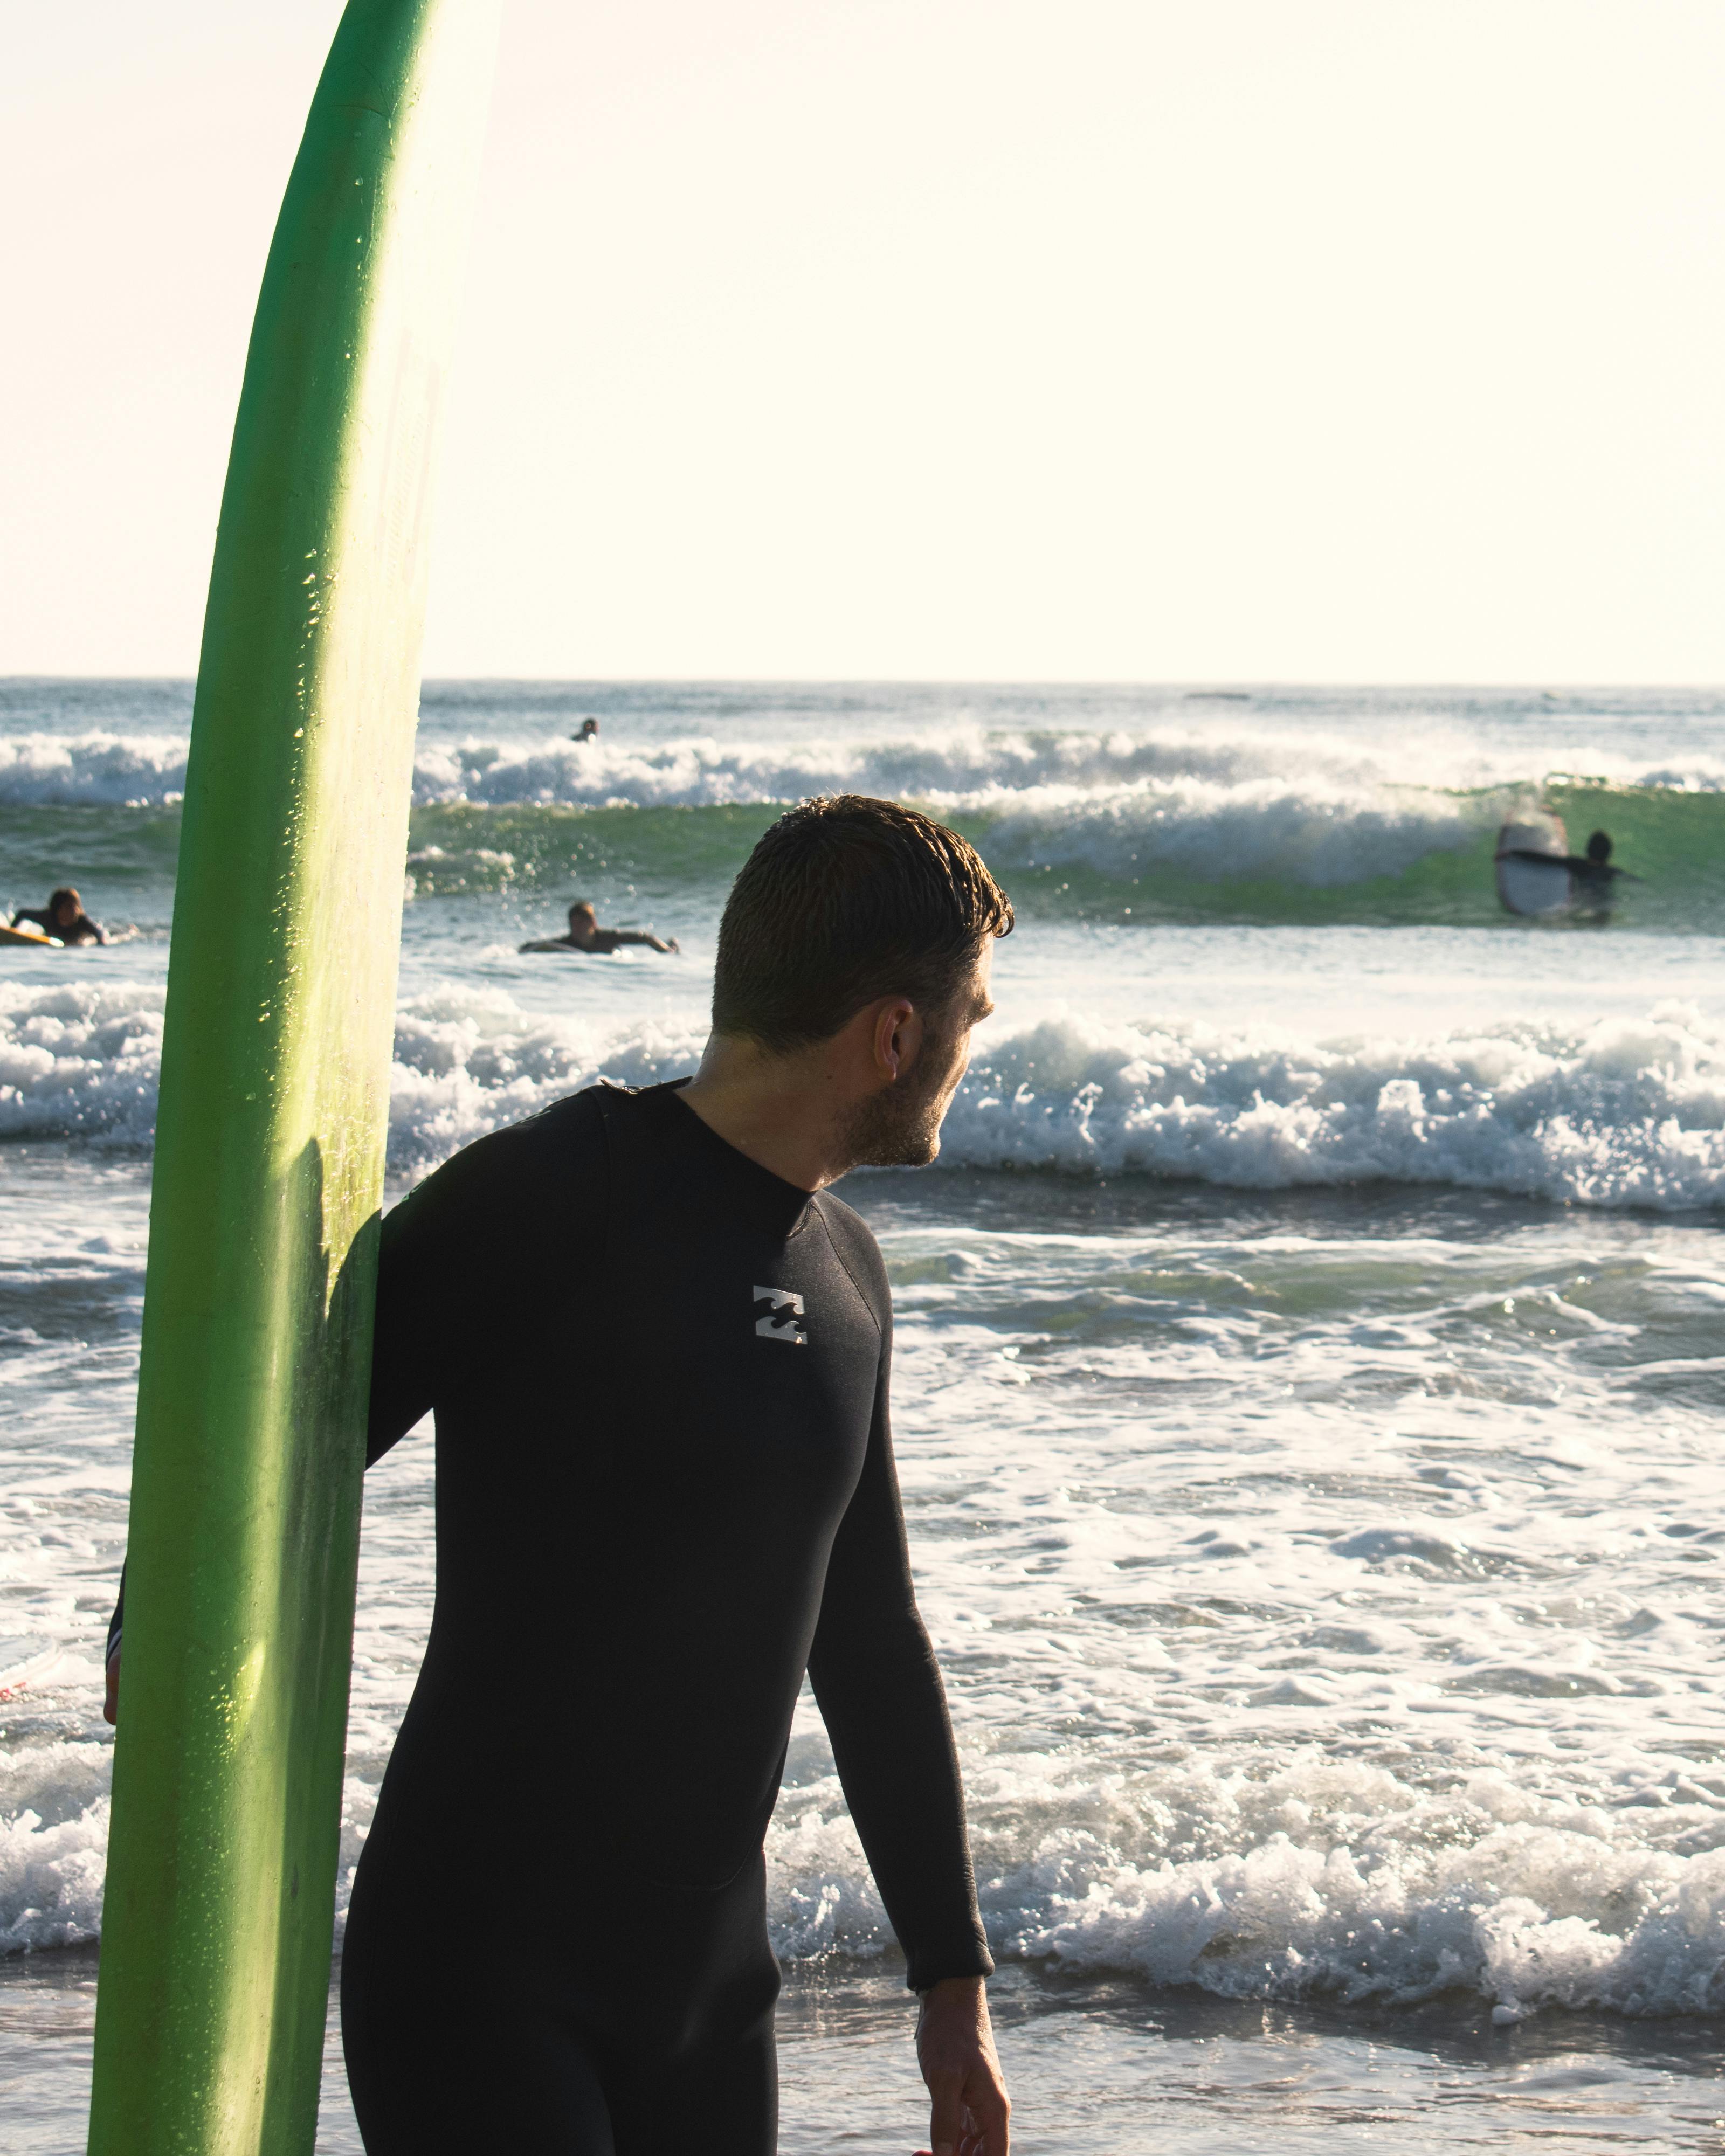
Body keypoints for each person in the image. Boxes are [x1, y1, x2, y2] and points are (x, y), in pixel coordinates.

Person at [105, 794, 1014, 2156]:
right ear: (893, 1032)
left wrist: (952, 1980)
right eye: (970, 1014)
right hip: (478, 1977)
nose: (969, 1044)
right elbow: (288, 1430)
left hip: (711, 2011)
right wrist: (151, 1611)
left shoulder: (852, 1282)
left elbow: (871, 1640)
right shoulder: (552, 1196)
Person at [1499, 829, 1638, 909]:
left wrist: (1513, 853)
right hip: (1603, 908)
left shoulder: (1579, 865)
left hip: (1582, 905)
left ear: (1589, 849)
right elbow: (1634, 882)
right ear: (1609, 853)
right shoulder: (1612, 872)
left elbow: (1546, 860)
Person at [520, 899, 679, 955]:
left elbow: (645, 938)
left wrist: (666, 951)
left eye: (581, 923)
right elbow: (532, 947)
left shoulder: (608, 937)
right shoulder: (569, 942)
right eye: (573, 924)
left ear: (593, 923)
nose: (577, 928)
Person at [10, 886, 107, 945]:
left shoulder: (82, 921)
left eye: (76, 906)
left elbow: (99, 933)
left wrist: (100, 944)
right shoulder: (47, 917)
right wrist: (12, 933)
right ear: (57, 908)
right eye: (69, 907)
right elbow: (22, 914)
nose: (75, 911)